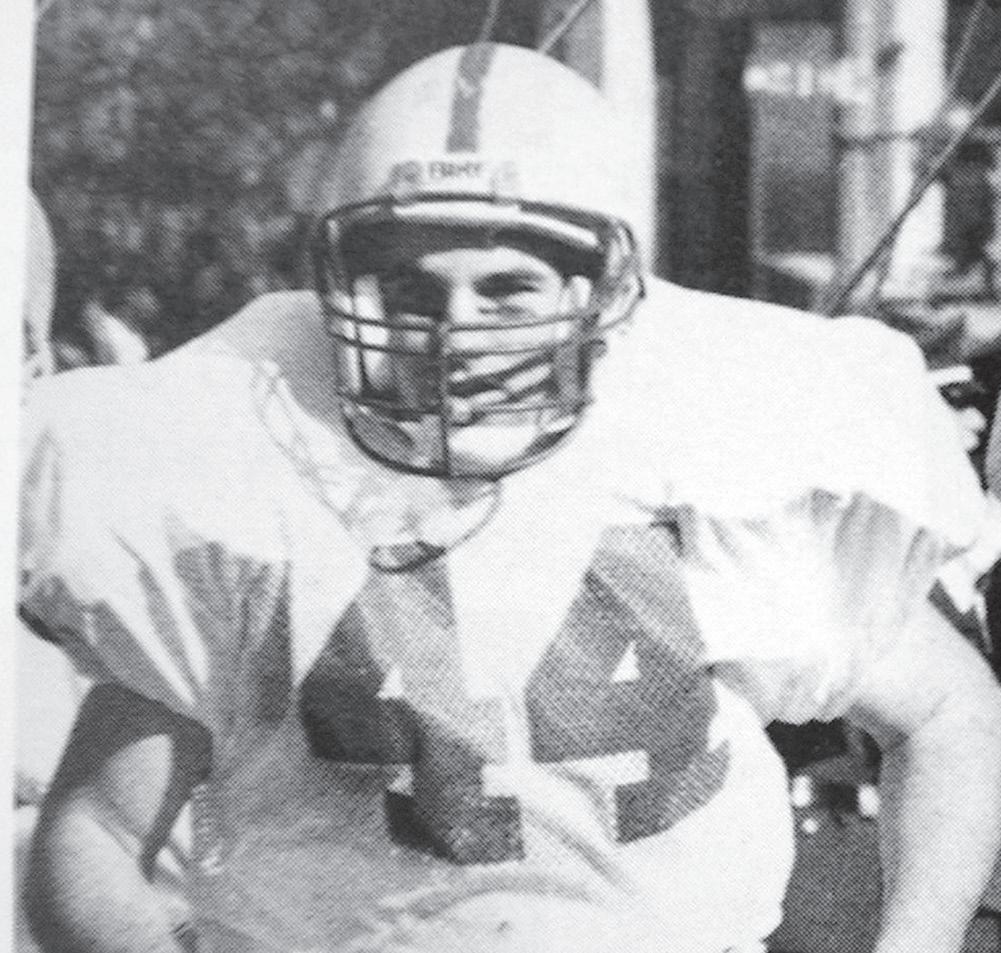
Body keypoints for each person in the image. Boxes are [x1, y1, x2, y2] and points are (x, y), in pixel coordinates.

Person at [18, 44, 1001, 953]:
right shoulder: (248, 479)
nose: (457, 334)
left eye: (506, 289)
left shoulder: (701, 457)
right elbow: (94, 833)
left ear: (597, 292)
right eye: (409, 291)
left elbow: (949, 714)